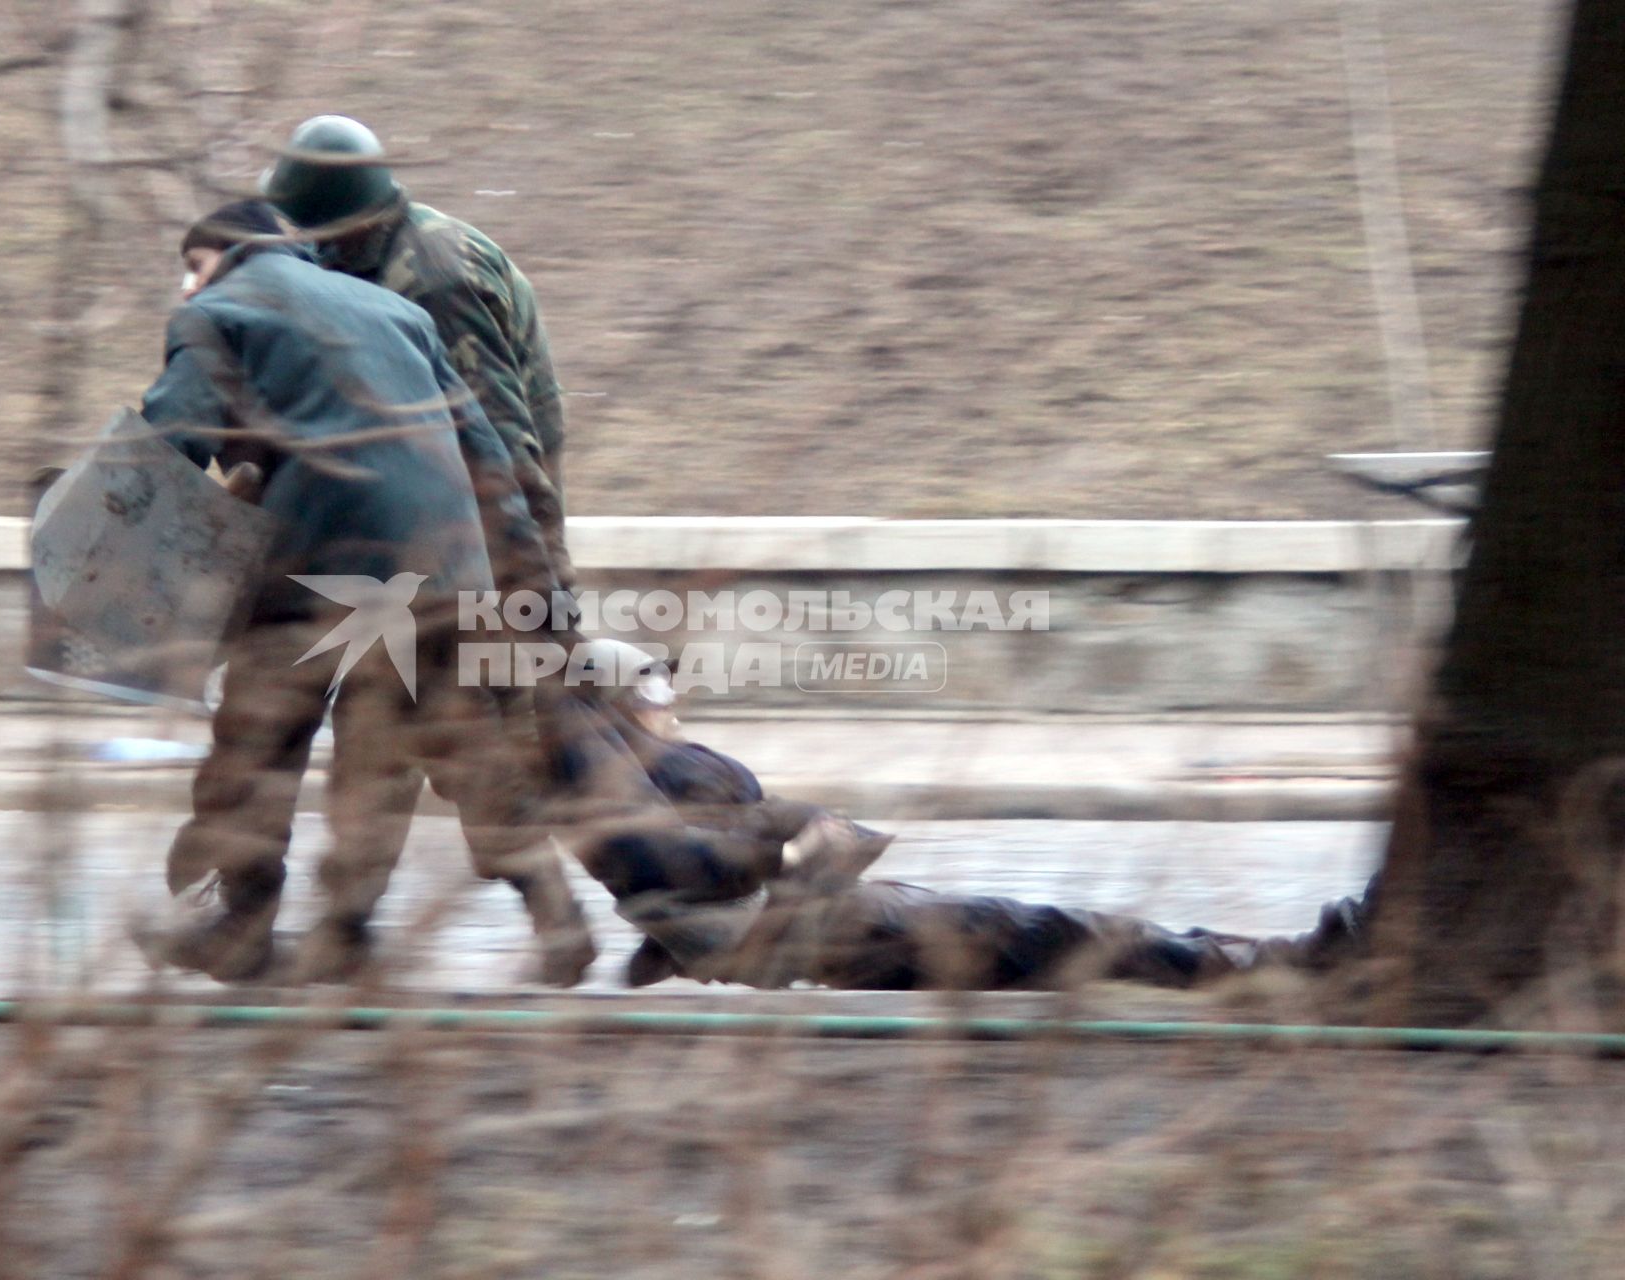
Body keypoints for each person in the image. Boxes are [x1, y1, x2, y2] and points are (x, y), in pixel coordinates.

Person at [136, 200, 594, 985]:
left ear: (225, 254)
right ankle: (549, 915)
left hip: (319, 562)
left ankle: (240, 926)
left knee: (260, 739)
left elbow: (171, 445)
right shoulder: (398, 313)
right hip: (445, 565)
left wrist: (117, 563)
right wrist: (534, 586)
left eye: (192, 265)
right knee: (447, 742)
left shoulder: (221, 311)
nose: (186, 286)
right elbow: (486, 452)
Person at [547, 641, 1372, 992]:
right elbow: (692, 879)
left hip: (825, 916)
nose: (674, 704)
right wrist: (800, 844)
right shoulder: (638, 778)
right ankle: (1280, 967)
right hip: (820, 926)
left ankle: (1263, 964)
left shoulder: (639, 776)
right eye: (655, 690)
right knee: (1057, 932)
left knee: (1045, 932)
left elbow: (677, 903)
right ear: (620, 704)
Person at [261, 115, 573, 591]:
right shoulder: (358, 255)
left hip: (490, 508)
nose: (298, 238)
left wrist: (543, 599)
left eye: (305, 226)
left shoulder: (433, 282)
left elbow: (501, 448)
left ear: (337, 224)